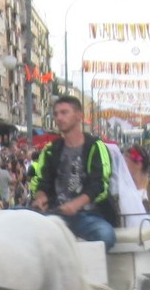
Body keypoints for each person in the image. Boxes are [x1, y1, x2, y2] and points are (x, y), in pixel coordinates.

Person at [30, 96, 117, 250]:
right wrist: (41, 197)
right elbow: (41, 182)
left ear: (79, 116)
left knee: (106, 235)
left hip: (88, 215)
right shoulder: (50, 149)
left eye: (64, 112)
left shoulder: (96, 146)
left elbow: (100, 185)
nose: (59, 118)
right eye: (56, 114)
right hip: (55, 215)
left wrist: (75, 205)